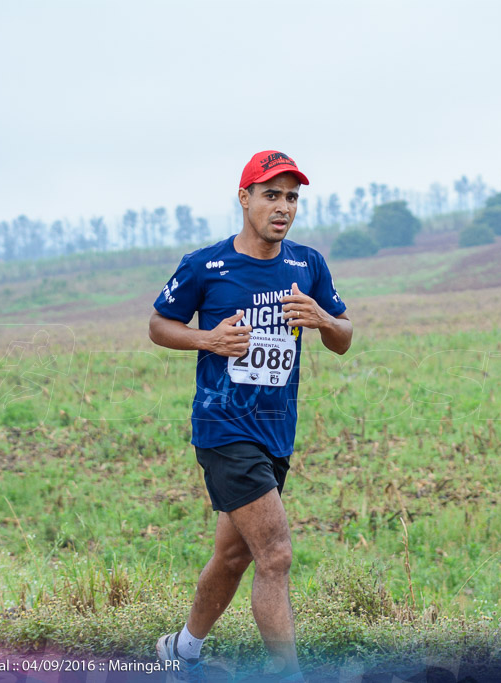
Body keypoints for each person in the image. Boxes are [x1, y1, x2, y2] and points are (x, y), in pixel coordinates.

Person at [149, 150, 353, 681]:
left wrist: (323, 319)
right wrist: (207, 339)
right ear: (245, 199)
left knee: (234, 556)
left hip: (275, 433)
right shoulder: (206, 265)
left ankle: (182, 651)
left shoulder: (307, 264)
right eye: (271, 195)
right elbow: (159, 324)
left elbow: (344, 338)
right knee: (276, 555)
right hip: (223, 428)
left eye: (291, 197)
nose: (282, 207)